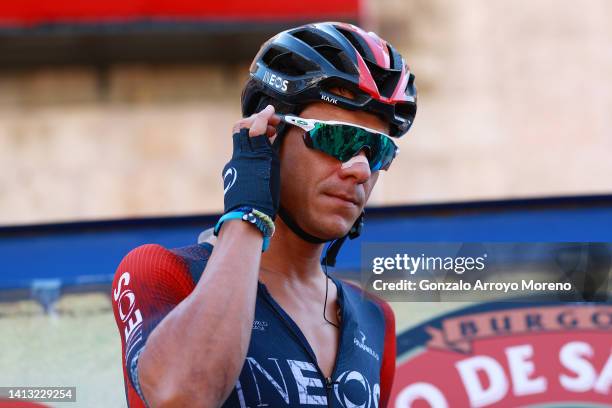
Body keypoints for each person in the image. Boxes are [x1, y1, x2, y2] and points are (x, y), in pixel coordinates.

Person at [112, 21, 417, 407]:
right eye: (336, 137)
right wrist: (247, 213)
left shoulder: (375, 319)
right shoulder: (159, 271)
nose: (359, 169)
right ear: (269, 136)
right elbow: (182, 396)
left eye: (378, 150)